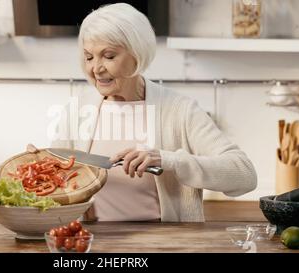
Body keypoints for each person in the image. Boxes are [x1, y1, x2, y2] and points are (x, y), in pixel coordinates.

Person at [51, 3, 257, 222]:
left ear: (137, 54)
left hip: (162, 243)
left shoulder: (179, 110)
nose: (96, 68)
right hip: (94, 245)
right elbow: (57, 186)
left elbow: (244, 174)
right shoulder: (77, 111)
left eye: (109, 56)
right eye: (89, 57)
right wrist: (39, 168)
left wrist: (169, 160)